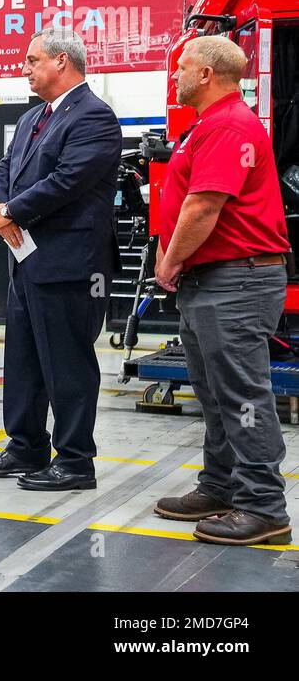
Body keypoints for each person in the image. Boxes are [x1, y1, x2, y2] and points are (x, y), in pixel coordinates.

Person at [151, 35, 292, 546]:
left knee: (242, 394)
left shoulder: (229, 125)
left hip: (236, 279)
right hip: (213, 280)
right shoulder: (208, 126)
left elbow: (202, 207)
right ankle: (222, 484)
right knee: (214, 393)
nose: (176, 75)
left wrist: (168, 262)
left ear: (207, 74)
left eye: (182, 66)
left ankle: (263, 506)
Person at [0, 26, 121, 491]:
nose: (25, 68)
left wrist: (12, 210)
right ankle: (25, 446)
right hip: (28, 260)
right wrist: (0, 208)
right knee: (23, 360)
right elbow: (4, 168)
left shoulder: (94, 116)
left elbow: (67, 180)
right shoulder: (35, 117)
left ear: (62, 61)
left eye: (33, 60)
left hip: (71, 263)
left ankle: (75, 461)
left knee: (68, 363)